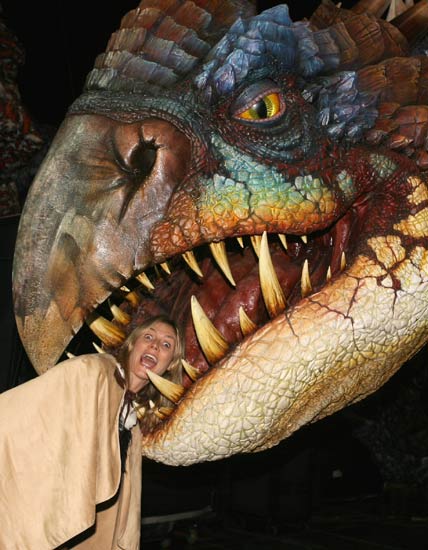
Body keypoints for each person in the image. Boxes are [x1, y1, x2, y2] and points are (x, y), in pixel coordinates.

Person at [0, 315, 184, 550]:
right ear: (132, 344)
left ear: (170, 364)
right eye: (148, 337)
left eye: (166, 344)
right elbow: (25, 410)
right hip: (42, 515)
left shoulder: (133, 428)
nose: (155, 345)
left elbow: (123, 512)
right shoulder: (93, 372)